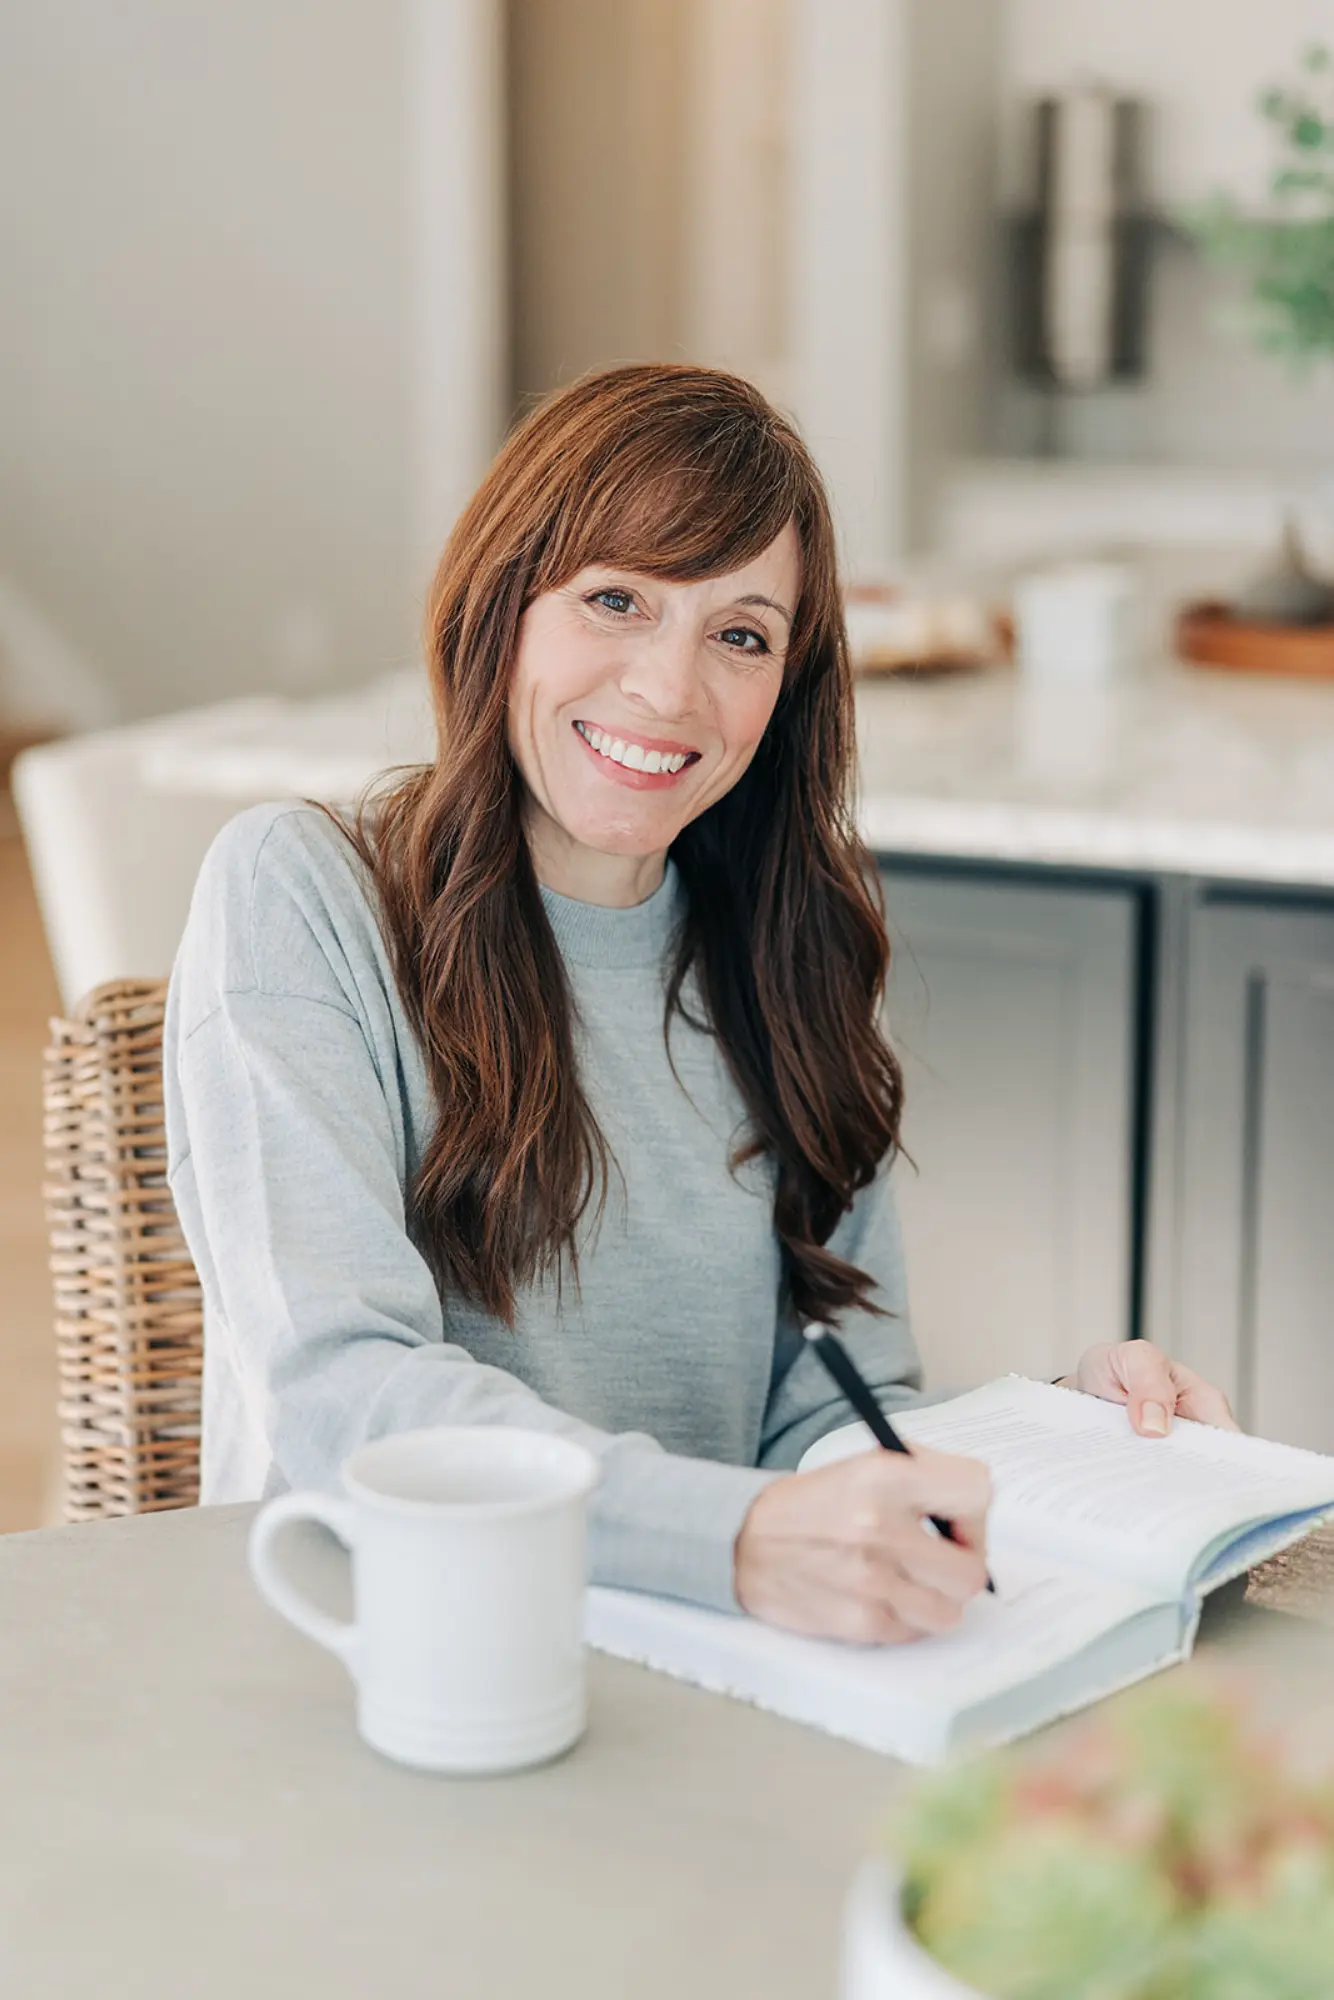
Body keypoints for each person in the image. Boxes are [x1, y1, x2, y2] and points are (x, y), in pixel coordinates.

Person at [164, 362, 1236, 1647]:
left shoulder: (795, 961)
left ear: (786, 688)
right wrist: (725, 1540)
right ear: (503, 605)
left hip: (696, 1654)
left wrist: (1065, 1432)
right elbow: (341, 1393)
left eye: (738, 634)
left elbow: (823, 1409)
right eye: (614, 599)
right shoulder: (303, 895)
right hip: (379, 1651)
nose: (668, 689)